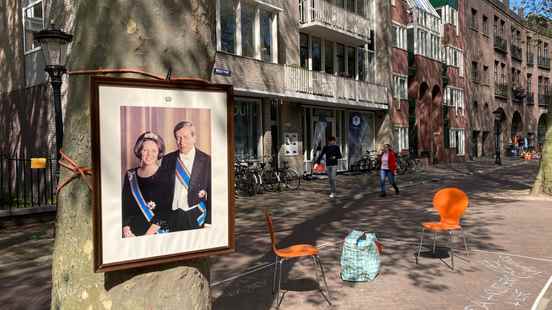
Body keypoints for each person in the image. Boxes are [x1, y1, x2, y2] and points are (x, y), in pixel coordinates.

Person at [160, 121, 211, 232]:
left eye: (185, 137)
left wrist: (209, 221)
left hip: (196, 215)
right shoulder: (167, 159)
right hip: (172, 215)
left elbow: (212, 193)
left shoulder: (207, 160)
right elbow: (162, 191)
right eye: (178, 138)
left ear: (194, 138)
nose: (181, 142)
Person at [122, 131, 169, 237]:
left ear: (159, 153)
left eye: (154, 151)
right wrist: (126, 229)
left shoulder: (166, 175)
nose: (149, 154)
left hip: (156, 233)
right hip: (132, 233)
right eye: (145, 150)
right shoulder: (130, 175)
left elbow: (166, 211)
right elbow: (125, 207)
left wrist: (147, 236)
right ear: (140, 151)